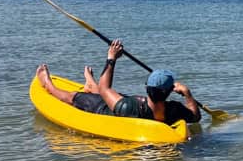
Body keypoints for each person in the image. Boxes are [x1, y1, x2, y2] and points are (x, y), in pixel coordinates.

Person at [36, 39, 201, 125]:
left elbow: (105, 88)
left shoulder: (129, 106)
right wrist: (187, 94)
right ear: (172, 90)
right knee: (110, 93)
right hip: (130, 104)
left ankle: (48, 84)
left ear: (147, 88)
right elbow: (195, 117)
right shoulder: (175, 110)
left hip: (105, 110)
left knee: (74, 96)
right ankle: (90, 84)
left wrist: (111, 58)